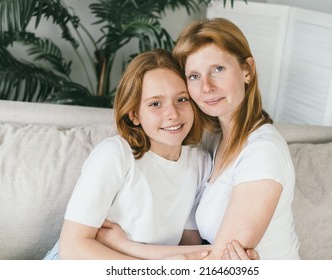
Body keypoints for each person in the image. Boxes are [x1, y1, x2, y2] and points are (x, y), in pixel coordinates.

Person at [100, 17, 299, 260]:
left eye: (218, 69)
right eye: (194, 76)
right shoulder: (214, 140)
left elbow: (219, 261)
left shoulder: (262, 152)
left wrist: (124, 245)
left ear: (247, 70)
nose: (206, 87)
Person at [43, 48, 252, 260]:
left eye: (181, 99)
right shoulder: (115, 154)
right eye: (155, 104)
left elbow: (189, 246)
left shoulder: (200, 162)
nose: (172, 114)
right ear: (134, 114)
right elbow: (72, 248)